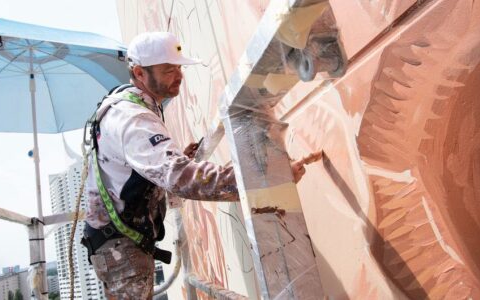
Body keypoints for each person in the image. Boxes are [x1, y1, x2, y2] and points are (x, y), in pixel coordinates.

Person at [82, 31, 311, 299]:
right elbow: (178, 178)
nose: (179, 75)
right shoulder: (132, 117)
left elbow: (146, 173)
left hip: (119, 243)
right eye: (168, 70)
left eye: (179, 67)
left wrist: (179, 158)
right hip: (120, 248)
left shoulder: (135, 105)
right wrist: (267, 178)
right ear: (139, 73)